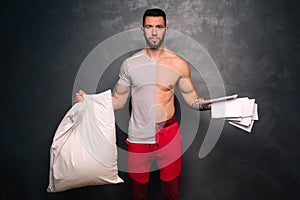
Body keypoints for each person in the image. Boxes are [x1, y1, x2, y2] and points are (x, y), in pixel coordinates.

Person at [75, 8, 210, 200]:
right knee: (137, 191)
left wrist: (215, 105)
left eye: (159, 27)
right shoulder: (130, 64)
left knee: (171, 190)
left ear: (166, 29)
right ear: (142, 30)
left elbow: (192, 100)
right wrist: (88, 102)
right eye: (149, 27)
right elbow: (118, 101)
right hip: (139, 134)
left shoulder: (178, 64)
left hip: (168, 134)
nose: (154, 32)